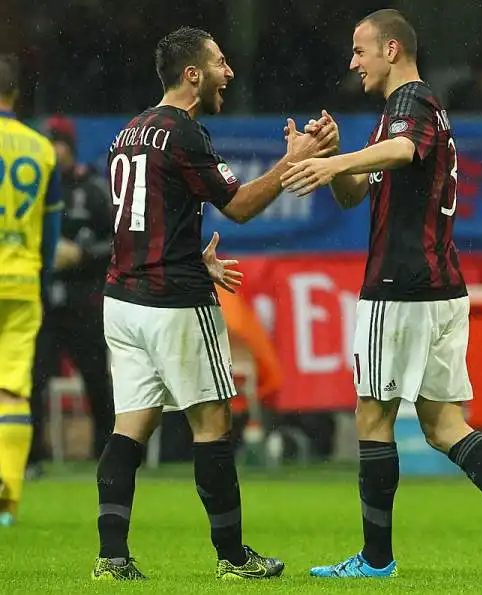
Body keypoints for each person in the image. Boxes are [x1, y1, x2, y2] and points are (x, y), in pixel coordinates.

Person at [281, 9, 482, 580]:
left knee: (372, 411)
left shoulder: (411, 103)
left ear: (392, 49)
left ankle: (376, 560)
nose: (352, 61)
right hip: (439, 286)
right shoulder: (398, 114)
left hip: (401, 285)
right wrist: (326, 157)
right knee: (441, 424)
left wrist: (337, 159)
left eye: (360, 50)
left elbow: (403, 153)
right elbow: (353, 194)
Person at [93, 26, 335, 581]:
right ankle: (232, 557)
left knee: (130, 426)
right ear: (193, 74)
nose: (230, 73)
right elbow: (241, 206)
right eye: (221, 63)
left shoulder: (126, 134)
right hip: (174, 301)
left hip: (123, 298)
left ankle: (112, 558)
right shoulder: (185, 134)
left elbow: (137, 222)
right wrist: (290, 162)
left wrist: (189, 254)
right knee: (213, 422)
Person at [27, 116, 114, 475]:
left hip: (84, 305)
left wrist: (81, 254)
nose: (52, 150)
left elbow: (119, 243)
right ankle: (32, 459)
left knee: (97, 382)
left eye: (56, 142)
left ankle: (109, 457)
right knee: (33, 383)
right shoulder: (34, 189)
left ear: (69, 146)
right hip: (45, 304)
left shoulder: (92, 188)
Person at [0, 54, 62, 526]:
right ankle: (6, 500)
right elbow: (52, 228)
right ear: (16, 95)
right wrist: (40, 281)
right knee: (13, 392)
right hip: (22, 281)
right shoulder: (41, 148)